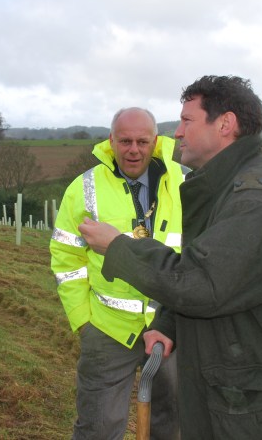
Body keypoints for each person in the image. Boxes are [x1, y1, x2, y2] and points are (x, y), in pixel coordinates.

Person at [78, 76, 262, 440]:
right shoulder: (232, 185)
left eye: (187, 121)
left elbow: (201, 281)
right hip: (247, 389)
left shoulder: (257, 202)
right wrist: (169, 323)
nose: (176, 133)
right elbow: (222, 272)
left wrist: (117, 247)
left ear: (225, 124)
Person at [50, 107, 186, 439]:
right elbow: (66, 258)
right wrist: (83, 320)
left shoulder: (187, 182)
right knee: (98, 427)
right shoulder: (83, 188)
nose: (133, 149)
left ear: (156, 141)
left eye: (142, 141)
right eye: (124, 141)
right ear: (111, 141)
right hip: (107, 331)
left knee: (170, 426)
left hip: (174, 327)